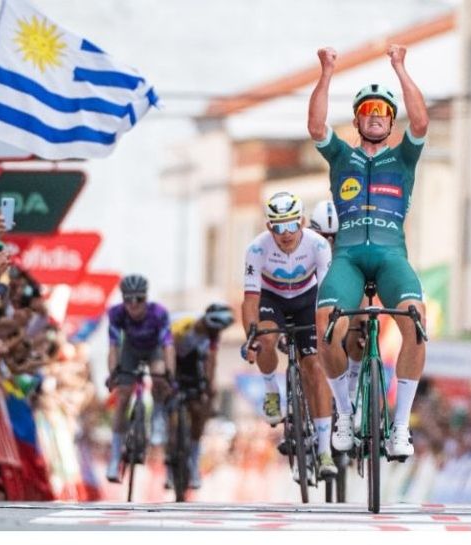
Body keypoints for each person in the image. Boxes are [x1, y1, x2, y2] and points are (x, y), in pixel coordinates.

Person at [308, 44, 429, 458]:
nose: (375, 116)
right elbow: (316, 125)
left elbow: (421, 121)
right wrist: (326, 72)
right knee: (326, 324)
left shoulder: (404, 158)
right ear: (357, 120)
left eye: (382, 112)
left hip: (391, 257)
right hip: (349, 259)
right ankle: (345, 412)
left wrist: (401, 68)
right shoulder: (342, 156)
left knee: (416, 321)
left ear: (391, 121)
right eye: (367, 111)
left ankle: (400, 427)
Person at [240, 191, 337, 477]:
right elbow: (250, 301)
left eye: (292, 224)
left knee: (315, 368)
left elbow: (327, 294)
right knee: (265, 339)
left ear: (302, 222)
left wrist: (327, 332)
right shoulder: (256, 249)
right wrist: (251, 338)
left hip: (309, 300)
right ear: (269, 227)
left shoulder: (318, 245)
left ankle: (324, 451)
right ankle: (272, 391)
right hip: (272, 300)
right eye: (279, 227)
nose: (286, 233)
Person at [105, 274, 175, 482]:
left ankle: (157, 415)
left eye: (139, 299)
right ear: (123, 300)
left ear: (146, 298)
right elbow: (114, 346)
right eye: (128, 299)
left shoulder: (159, 313)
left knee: (160, 375)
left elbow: (168, 346)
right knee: (122, 397)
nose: (134, 304)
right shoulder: (116, 313)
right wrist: (113, 373)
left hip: (154, 349)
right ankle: (115, 456)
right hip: (131, 350)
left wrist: (169, 374)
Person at [167, 303, 235, 489]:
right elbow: (167, 349)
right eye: (208, 328)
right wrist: (169, 379)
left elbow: (211, 361)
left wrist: (210, 387)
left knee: (199, 407)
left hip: (193, 363)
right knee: (170, 414)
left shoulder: (213, 334)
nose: (210, 333)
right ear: (203, 321)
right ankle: (169, 466)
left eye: (215, 331)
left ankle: (194, 461)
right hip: (171, 357)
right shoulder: (184, 323)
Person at [309, 199, 365, 400]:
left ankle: (353, 385)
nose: (330, 243)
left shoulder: (354, 253)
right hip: (314, 312)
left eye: (336, 237)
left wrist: (363, 323)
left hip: (345, 311)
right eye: (324, 237)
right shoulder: (306, 252)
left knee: (360, 327)